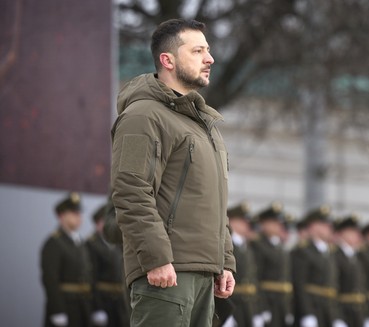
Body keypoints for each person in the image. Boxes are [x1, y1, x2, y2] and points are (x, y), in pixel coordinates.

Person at [110, 18, 236, 327]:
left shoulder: (201, 124)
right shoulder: (142, 116)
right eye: (197, 51)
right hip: (166, 275)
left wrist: (225, 261)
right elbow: (131, 190)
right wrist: (155, 258)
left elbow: (213, 200)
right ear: (167, 60)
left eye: (207, 50)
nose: (210, 59)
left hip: (203, 274)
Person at [40, 193, 102, 327]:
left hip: (84, 307)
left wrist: (96, 307)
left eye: (79, 213)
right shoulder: (54, 243)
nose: (78, 217)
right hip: (66, 306)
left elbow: (90, 278)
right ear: (61, 216)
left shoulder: (82, 243)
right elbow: (50, 279)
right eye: (74, 213)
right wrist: (58, 310)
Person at [291, 206, 346, 327]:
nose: (329, 228)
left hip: (328, 312)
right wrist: (307, 313)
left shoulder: (329, 253)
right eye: (325, 224)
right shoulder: (303, 251)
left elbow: (333, 288)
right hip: (313, 309)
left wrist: (337, 316)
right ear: (313, 227)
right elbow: (299, 285)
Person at [250, 202, 294, 327]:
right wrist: (260, 307)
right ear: (263, 224)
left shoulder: (280, 247)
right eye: (274, 223)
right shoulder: (257, 245)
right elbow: (255, 278)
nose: (278, 226)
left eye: (279, 223)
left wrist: (288, 308)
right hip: (267, 301)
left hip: (281, 304)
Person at [86, 204, 129, 327]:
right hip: (103, 300)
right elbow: (91, 277)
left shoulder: (117, 243)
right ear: (98, 223)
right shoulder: (91, 244)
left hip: (119, 300)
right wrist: (96, 307)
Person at [226, 203, 264, 327]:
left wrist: (257, 311)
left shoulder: (247, 247)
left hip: (248, 306)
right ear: (232, 221)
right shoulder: (227, 245)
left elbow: (254, 280)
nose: (247, 225)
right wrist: (224, 312)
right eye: (243, 221)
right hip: (232, 304)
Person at [333, 214, 365, 327]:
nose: (357, 236)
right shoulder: (335, 256)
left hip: (357, 313)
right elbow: (333, 289)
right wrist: (336, 317)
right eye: (352, 232)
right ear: (342, 233)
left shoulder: (356, 257)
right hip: (342, 311)